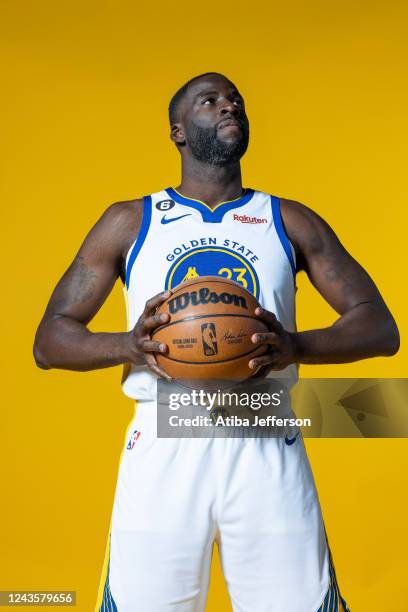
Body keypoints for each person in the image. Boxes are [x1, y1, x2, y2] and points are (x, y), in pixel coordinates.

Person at [33, 72, 399, 612]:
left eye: (236, 101)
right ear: (178, 131)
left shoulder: (287, 219)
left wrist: (296, 346)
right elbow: (50, 341)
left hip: (265, 433)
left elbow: (379, 326)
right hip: (164, 441)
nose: (229, 106)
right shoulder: (131, 221)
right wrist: (128, 346)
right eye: (210, 101)